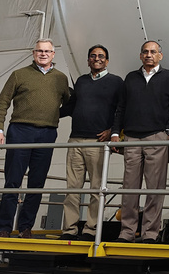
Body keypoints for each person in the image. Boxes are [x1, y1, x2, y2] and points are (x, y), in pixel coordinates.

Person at [0, 38, 71, 239]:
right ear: (33, 53)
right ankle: (5, 228)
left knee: (37, 183)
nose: (43, 54)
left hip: (47, 133)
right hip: (20, 131)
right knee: (13, 181)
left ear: (53, 55)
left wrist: (52, 115)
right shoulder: (19, 75)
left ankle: (26, 227)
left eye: (47, 51)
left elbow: (70, 105)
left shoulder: (61, 79)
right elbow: (2, 103)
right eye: (39, 51)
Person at [111, 41, 169, 243]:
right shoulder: (131, 78)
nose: (149, 55)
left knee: (154, 187)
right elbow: (121, 107)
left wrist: (168, 131)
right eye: (145, 52)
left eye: (153, 52)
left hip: (157, 137)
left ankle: (150, 233)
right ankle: (126, 232)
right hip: (131, 138)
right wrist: (116, 132)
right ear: (140, 56)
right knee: (129, 188)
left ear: (160, 55)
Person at [59, 44, 123, 241]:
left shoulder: (116, 82)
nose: (97, 59)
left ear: (107, 61)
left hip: (98, 142)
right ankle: (69, 230)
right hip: (75, 139)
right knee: (72, 189)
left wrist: (113, 131)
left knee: (96, 190)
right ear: (88, 60)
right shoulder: (81, 81)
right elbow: (70, 107)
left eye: (101, 56)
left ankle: (90, 230)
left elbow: (121, 110)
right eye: (93, 56)